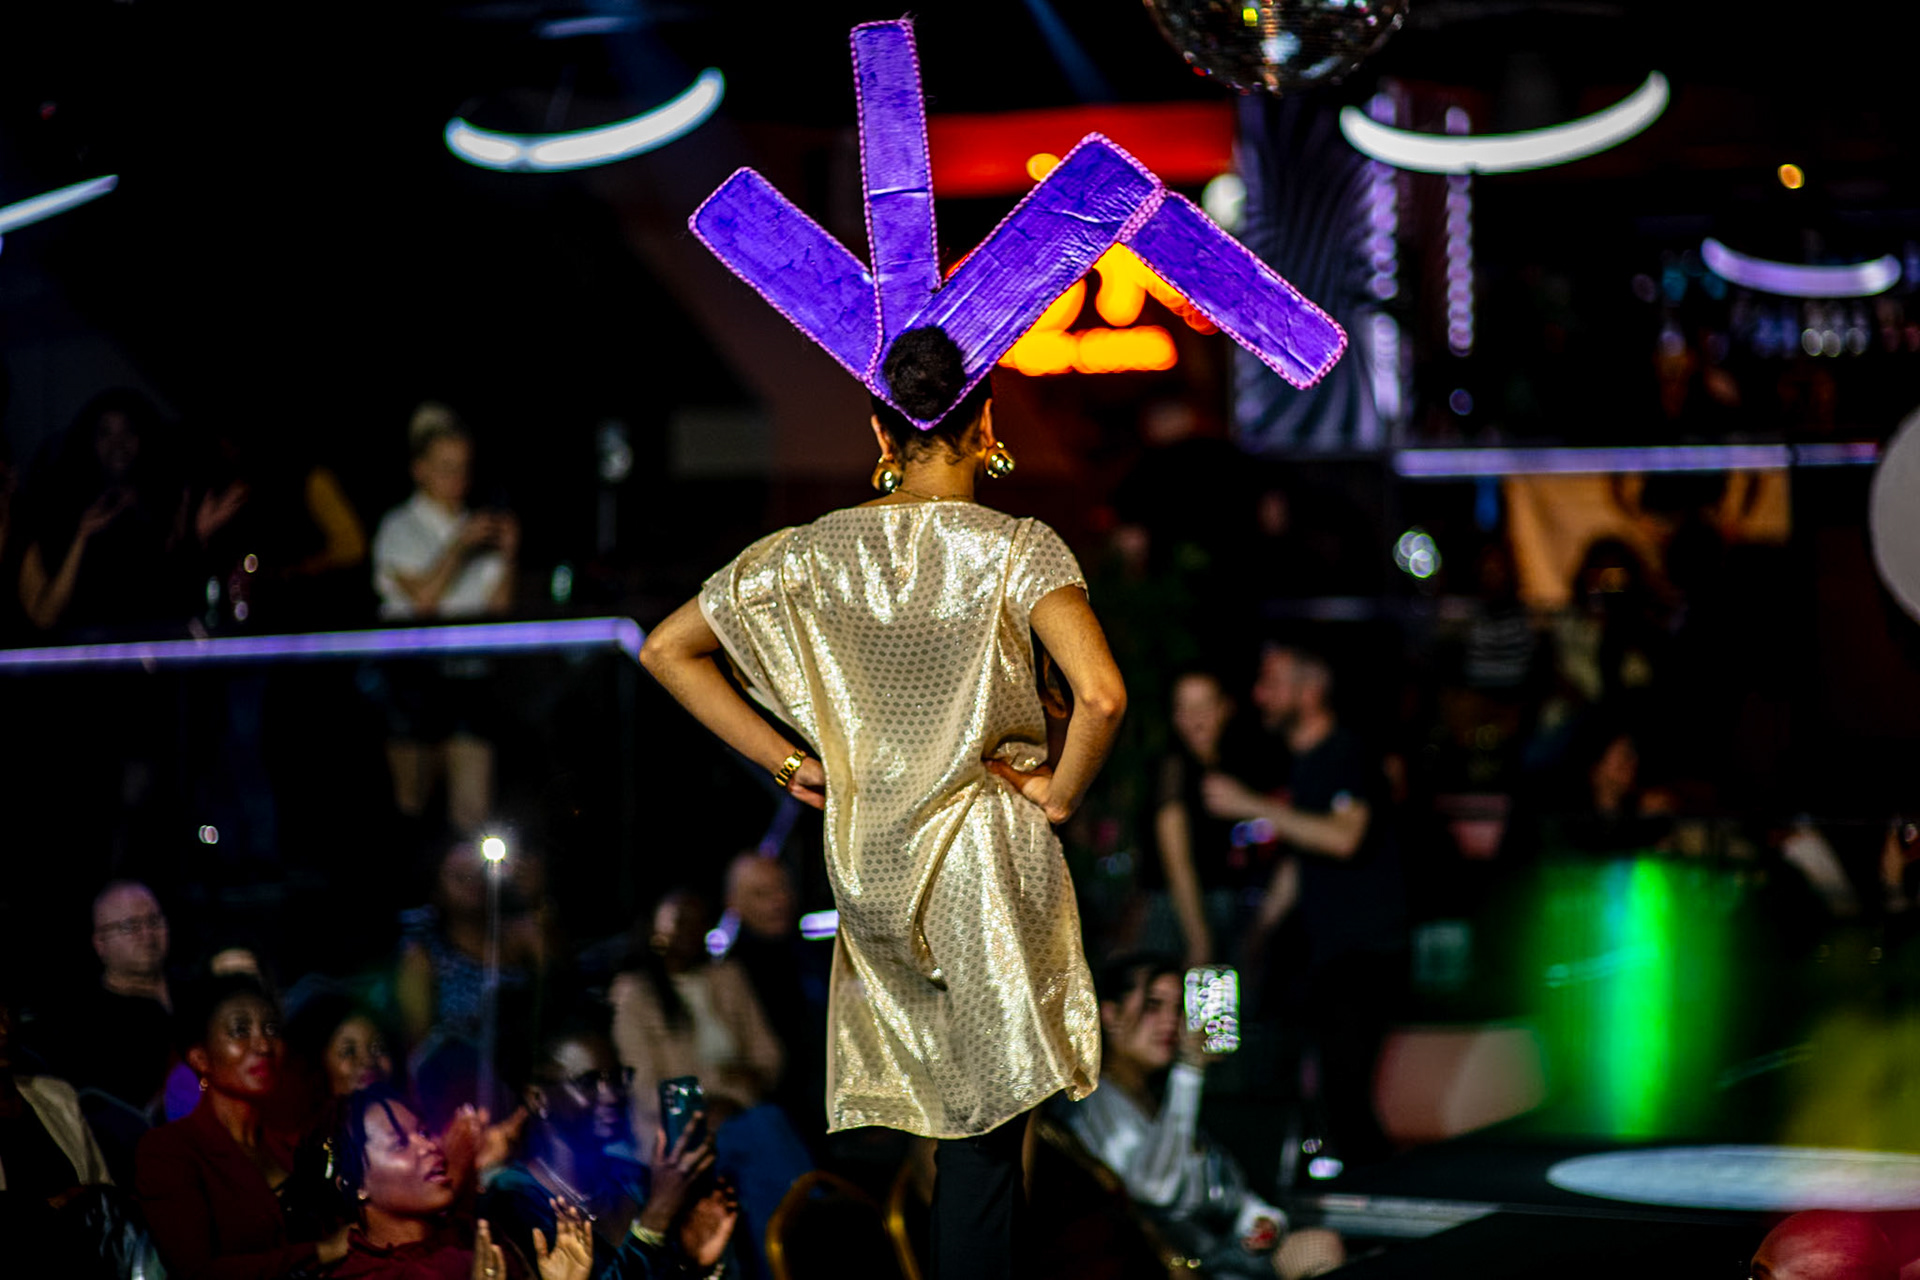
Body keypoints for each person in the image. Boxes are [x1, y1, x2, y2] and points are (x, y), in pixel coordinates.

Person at [640, 326, 1127, 1280]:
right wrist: (1061, 796)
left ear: (880, 432)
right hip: (983, 862)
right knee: (985, 1144)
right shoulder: (1016, 548)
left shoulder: (810, 554)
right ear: (986, 422)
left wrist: (786, 762)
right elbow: (1102, 696)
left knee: (958, 1134)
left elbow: (666, 649)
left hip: (872, 869)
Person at [1201, 646, 1407, 1168]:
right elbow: (1304, 853)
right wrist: (1263, 926)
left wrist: (1250, 805)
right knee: (1318, 1091)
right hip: (1325, 951)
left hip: (1365, 950)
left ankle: (1373, 1191)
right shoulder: (1304, 762)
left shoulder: (1347, 753)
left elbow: (1343, 837)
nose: (1259, 695)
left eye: (1272, 682)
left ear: (1310, 690)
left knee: (1346, 1094)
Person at [1060, 953, 1343, 1280]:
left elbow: (1225, 1186)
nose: (1170, 1021)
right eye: (1153, 1006)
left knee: (1322, 1247)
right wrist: (1189, 1072)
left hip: (1220, 1255)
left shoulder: (1159, 1099)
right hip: (1159, 1265)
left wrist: (1258, 1220)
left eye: (1178, 1008)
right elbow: (1155, 1190)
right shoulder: (1093, 1104)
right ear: (1111, 1014)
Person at [609, 889, 806, 1276]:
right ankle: (803, 1229)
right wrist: (717, 1093)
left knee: (761, 1132)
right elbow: (646, 1087)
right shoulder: (634, 994)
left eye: (699, 921)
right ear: (655, 928)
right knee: (763, 1130)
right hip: (675, 1130)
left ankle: (789, 1244)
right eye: (680, 920)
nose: (691, 930)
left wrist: (727, 1099)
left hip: (737, 1115)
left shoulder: (727, 978)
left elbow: (769, 1057)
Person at [135, 974, 352, 1278]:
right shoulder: (170, 1151)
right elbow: (197, 1271)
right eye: (240, 1031)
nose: (263, 1045)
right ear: (200, 1058)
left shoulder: (293, 1143)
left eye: (271, 1029)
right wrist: (321, 1252)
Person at [482, 1021, 737, 1278]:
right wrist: (653, 1223)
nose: (612, 1094)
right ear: (537, 1097)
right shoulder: (512, 1200)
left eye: (617, 1079)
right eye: (588, 1082)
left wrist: (699, 1267)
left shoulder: (636, 1181)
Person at [370, 402, 519, 834]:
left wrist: (509, 554)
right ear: (419, 470)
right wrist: (458, 546)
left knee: (471, 814)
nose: (458, 479)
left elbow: (498, 608)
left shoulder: (478, 525)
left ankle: (468, 875)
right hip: (411, 679)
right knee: (411, 808)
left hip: (469, 677)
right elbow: (424, 602)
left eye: (463, 468)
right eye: (446, 469)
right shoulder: (399, 527)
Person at [322, 1084, 590, 1280]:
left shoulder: (471, 1236)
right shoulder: (362, 1275)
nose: (429, 1146)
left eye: (423, 1132)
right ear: (356, 1184)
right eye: (400, 1144)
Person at [15, 388, 188, 635]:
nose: (118, 444)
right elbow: (47, 614)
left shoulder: (165, 503)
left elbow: (177, 596)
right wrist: (83, 533)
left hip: (153, 643)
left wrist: (191, 538)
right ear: (90, 441)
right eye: (105, 433)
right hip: (85, 647)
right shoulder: (64, 509)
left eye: (128, 431)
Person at [1146, 671, 1267, 970]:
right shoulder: (1173, 767)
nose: (1195, 718)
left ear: (1226, 707)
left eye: (1205, 706)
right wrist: (1198, 937)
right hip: (1183, 911)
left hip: (1232, 908)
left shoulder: (1233, 765)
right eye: (1184, 708)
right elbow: (1175, 859)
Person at [1, 978, 117, 1264]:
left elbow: (103, 1189)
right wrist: (47, 1208)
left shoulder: (57, 1095)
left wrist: (84, 1197)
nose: (4, 1030)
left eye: (7, 1014)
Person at [721, 853, 829, 1145]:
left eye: (782, 888)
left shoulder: (813, 957)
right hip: (778, 1119)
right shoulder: (727, 976)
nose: (778, 900)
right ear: (734, 902)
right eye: (761, 893)